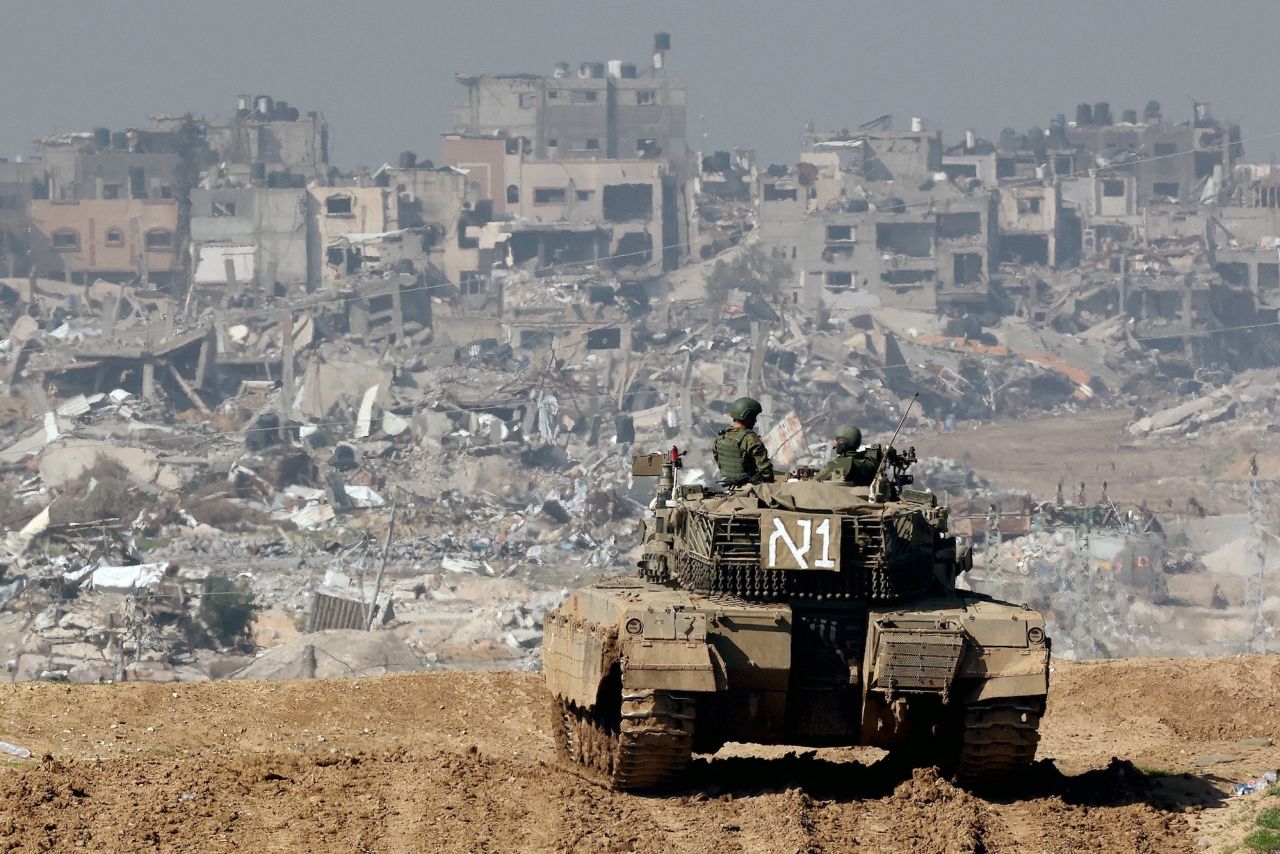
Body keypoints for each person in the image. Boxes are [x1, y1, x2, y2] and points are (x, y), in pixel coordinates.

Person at [713, 397, 774, 486]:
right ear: (747, 417)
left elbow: (718, 460)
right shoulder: (750, 439)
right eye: (753, 417)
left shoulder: (720, 438)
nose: (755, 420)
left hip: (727, 485)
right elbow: (765, 470)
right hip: (749, 486)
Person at [816, 425, 880, 486]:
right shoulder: (872, 462)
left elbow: (813, 481)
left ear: (843, 443)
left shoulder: (838, 463)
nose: (834, 443)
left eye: (837, 440)